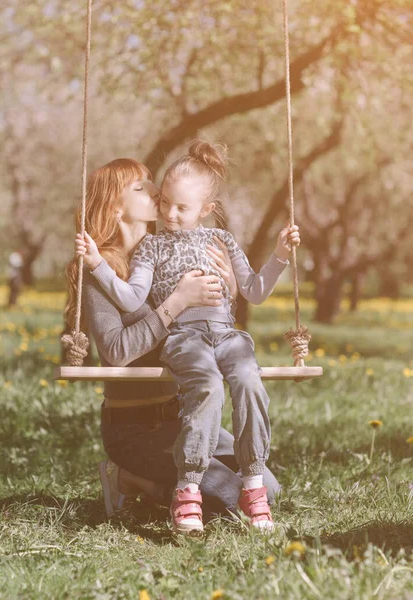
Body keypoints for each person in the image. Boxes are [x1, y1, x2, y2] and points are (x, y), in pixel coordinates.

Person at [78, 140, 300, 534]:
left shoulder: (180, 249)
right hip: (135, 427)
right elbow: (115, 352)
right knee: (230, 499)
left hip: (184, 414)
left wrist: (227, 289)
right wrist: (176, 303)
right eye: (143, 187)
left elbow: (237, 299)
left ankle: (192, 476)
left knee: (269, 487)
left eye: (154, 183)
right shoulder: (107, 272)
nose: (157, 194)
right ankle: (130, 479)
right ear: (115, 206)